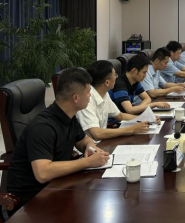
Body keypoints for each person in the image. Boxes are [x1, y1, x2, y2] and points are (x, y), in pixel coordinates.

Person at [7, 67, 110, 207]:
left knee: (95, 200)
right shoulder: (42, 128)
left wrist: (90, 146)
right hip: (31, 201)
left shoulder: (69, 115)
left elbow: (83, 139)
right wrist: (88, 162)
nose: (90, 96)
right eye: (88, 92)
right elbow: (43, 173)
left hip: (56, 185)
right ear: (75, 98)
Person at [76, 60, 160, 140]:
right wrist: (132, 129)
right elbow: (96, 134)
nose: (116, 78)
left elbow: (120, 116)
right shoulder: (87, 99)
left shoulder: (104, 94)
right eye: (115, 75)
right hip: (91, 146)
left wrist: (146, 119)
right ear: (107, 82)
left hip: (102, 141)